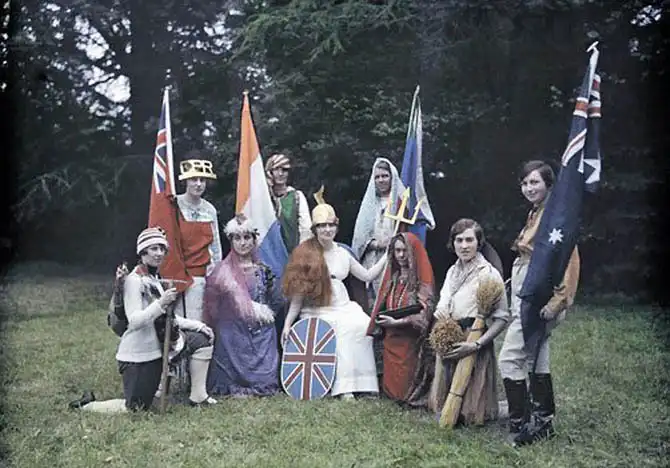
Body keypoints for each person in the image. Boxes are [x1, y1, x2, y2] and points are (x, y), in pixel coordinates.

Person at [68, 227, 217, 412]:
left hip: (157, 351)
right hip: (138, 356)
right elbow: (135, 321)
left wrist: (199, 326)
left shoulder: (153, 279)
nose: (159, 253)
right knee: (136, 408)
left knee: (201, 338)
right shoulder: (134, 280)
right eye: (153, 248)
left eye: (162, 249)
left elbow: (168, 318)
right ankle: (87, 406)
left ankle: (198, 396)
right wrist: (161, 303)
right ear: (143, 252)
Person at [498, 160, 580, 444]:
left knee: (510, 357)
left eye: (535, 182)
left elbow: (568, 257)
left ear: (549, 184)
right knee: (536, 353)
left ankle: (520, 425)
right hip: (526, 281)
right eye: (524, 183)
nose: (528, 188)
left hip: (538, 290)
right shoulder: (537, 212)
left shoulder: (555, 216)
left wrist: (559, 299)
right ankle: (543, 422)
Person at [281, 203, 386, 399]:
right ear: (315, 229)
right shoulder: (305, 253)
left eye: (331, 225)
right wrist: (288, 324)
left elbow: (367, 275)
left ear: (336, 227)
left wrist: (387, 256)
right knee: (342, 329)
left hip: (343, 306)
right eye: (322, 226)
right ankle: (344, 388)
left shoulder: (343, 252)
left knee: (362, 325)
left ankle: (362, 382)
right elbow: (298, 297)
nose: (327, 230)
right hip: (317, 310)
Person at [429, 219, 510, 425]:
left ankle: (470, 412)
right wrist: (442, 315)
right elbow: (444, 300)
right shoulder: (452, 271)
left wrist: (477, 344)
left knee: (471, 411)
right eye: (459, 240)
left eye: (469, 240)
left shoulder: (488, 274)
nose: (464, 246)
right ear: (453, 243)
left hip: (473, 338)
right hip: (451, 336)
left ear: (478, 242)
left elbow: (502, 317)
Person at [203, 215, 283, 397]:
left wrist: (261, 315)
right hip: (233, 332)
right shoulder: (222, 271)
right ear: (231, 241)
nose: (243, 243)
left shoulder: (264, 269)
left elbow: (276, 300)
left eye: (247, 237)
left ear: (254, 240)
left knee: (266, 379)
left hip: (260, 331)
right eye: (237, 238)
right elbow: (213, 306)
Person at [372, 232, 435, 407]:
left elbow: (425, 315)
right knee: (391, 390)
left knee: (404, 392)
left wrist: (397, 322)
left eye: (405, 251)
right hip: (391, 337)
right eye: (397, 251)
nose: (401, 255)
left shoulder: (422, 280)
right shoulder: (393, 278)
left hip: (410, 340)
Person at [172, 153, 223, 322]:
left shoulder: (209, 210)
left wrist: (215, 276)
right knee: (174, 322)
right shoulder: (173, 204)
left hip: (199, 276)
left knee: (196, 322)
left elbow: (215, 247)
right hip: (175, 274)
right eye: (194, 179)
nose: (198, 184)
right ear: (186, 181)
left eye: (202, 180)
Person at [352, 158, 403, 303]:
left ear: (392, 177)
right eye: (377, 177)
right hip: (371, 260)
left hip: (395, 258)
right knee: (372, 302)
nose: (381, 180)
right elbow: (359, 237)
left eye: (385, 176)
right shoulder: (369, 204)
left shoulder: (401, 203)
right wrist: (377, 244)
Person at [265, 153, 312, 253]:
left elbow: (306, 228)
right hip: (269, 255)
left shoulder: (297, 197)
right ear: (270, 172)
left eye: (284, 170)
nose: (280, 173)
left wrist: (300, 252)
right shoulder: (264, 198)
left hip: (293, 253)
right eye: (276, 169)